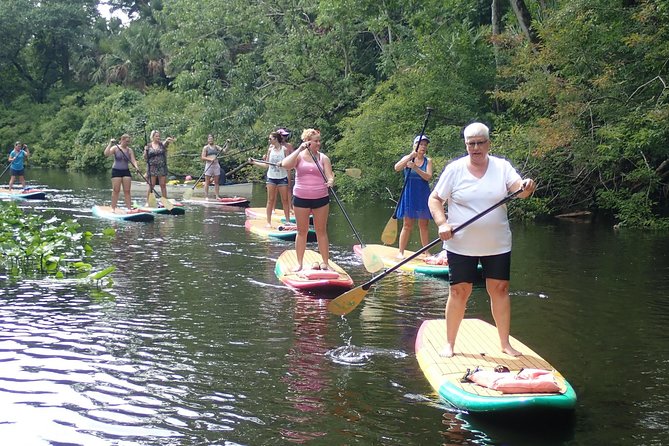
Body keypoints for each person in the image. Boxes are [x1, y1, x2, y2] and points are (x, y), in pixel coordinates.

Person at [428, 122, 536, 358]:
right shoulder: (454, 169)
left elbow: (520, 189)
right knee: (459, 291)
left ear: (488, 143)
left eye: (480, 143)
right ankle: (450, 344)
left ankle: (505, 344)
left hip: (497, 243)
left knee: (500, 289)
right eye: (471, 144)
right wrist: (442, 223)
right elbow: (435, 199)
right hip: (460, 243)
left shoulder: (502, 167)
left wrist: (527, 186)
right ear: (466, 145)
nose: (476, 148)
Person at [279, 129, 334, 271]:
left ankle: (325, 262)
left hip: (321, 198)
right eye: (316, 141)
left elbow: (330, 176)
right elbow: (285, 164)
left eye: (319, 141)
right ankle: (299, 263)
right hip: (301, 198)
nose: (319, 143)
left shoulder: (324, 158)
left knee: (321, 231)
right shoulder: (298, 157)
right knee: (301, 232)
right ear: (308, 142)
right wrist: (299, 149)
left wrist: (330, 181)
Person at [394, 134, 434, 258]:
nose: (423, 147)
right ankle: (400, 252)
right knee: (407, 224)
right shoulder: (408, 158)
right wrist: (410, 157)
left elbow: (428, 176)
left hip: (422, 194)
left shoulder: (428, 161)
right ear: (415, 145)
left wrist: (415, 168)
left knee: (423, 224)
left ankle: (426, 252)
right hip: (409, 194)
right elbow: (397, 168)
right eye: (420, 144)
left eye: (425, 145)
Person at [249, 131, 291, 227]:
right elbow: (266, 165)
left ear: (275, 139)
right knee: (270, 200)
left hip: (282, 178)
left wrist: (282, 164)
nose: (269, 140)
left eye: (270, 139)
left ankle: (288, 221)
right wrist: (254, 162)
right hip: (271, 178)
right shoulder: (270, 150)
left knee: (285, 200)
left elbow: (289, 164)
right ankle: (268, 222)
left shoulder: (284, 150)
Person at [104, 134, 139, 212]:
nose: (128, 143)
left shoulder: (129, 150)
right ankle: (113, 208)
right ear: (122, 140)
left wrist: (136, 167)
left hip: (126, 171)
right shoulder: (115, 148)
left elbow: (133, 160)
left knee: (127, 191)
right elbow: (106, 154)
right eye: (126, 141)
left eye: (128, 142)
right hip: (116, 171)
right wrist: (110, 143)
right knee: (116, 190)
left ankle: (129, 208)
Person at [143, 130, 174, 204]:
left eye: (159, 136)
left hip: (162, 167)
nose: (158, 137)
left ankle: (165, 201)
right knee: (151, 185)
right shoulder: (149, 146)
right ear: (152, 137)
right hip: (152, 167)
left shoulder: (162, 145)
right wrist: (145, 150)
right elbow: (145, 157)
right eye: (156, 136)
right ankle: (148, 201)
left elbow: (166, 143)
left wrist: (167, 140)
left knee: (163, 184)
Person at [201, 134, 226, 199]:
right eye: (209, 139)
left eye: (212, 139)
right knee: (207, 181)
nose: (211, 140)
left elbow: (225, 151)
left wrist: (228, 144)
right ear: (208, 140)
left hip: (216, 165)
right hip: (209, 165)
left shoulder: (216, 147)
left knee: (216, 181)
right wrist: (210, 159)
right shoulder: (205, 147)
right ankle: (206, 196)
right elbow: (203, 157)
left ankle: (217, 196)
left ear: (213, 139)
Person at [277, 128, 294, 212]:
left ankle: (290, 207)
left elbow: (294, 156)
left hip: (287, 169)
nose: (284, 137)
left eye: (285, 136)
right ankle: (272, 209)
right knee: (275, 188)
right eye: (282, 135)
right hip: (276, 170)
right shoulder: (273, 146)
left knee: (289, 187)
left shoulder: (289, 146)